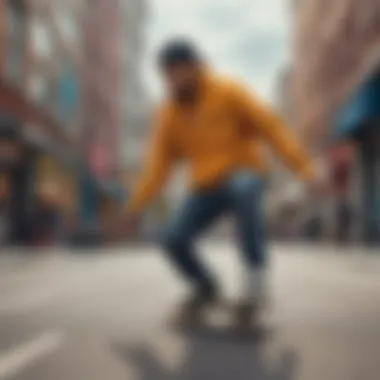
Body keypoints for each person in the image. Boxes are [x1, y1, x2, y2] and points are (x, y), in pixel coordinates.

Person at [124, 39, 317, 324]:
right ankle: (206, 287)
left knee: (245, 187)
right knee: (173, 238)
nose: (173, 81)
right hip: (204, 187)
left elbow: (270, 126)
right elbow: (157, 166)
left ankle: (254, 281)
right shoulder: (168, 116)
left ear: (194, 67)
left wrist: (303, 168)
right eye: (167, 75)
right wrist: (135, 204)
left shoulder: (228, 92)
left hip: (241, 172)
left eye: (178, 72)